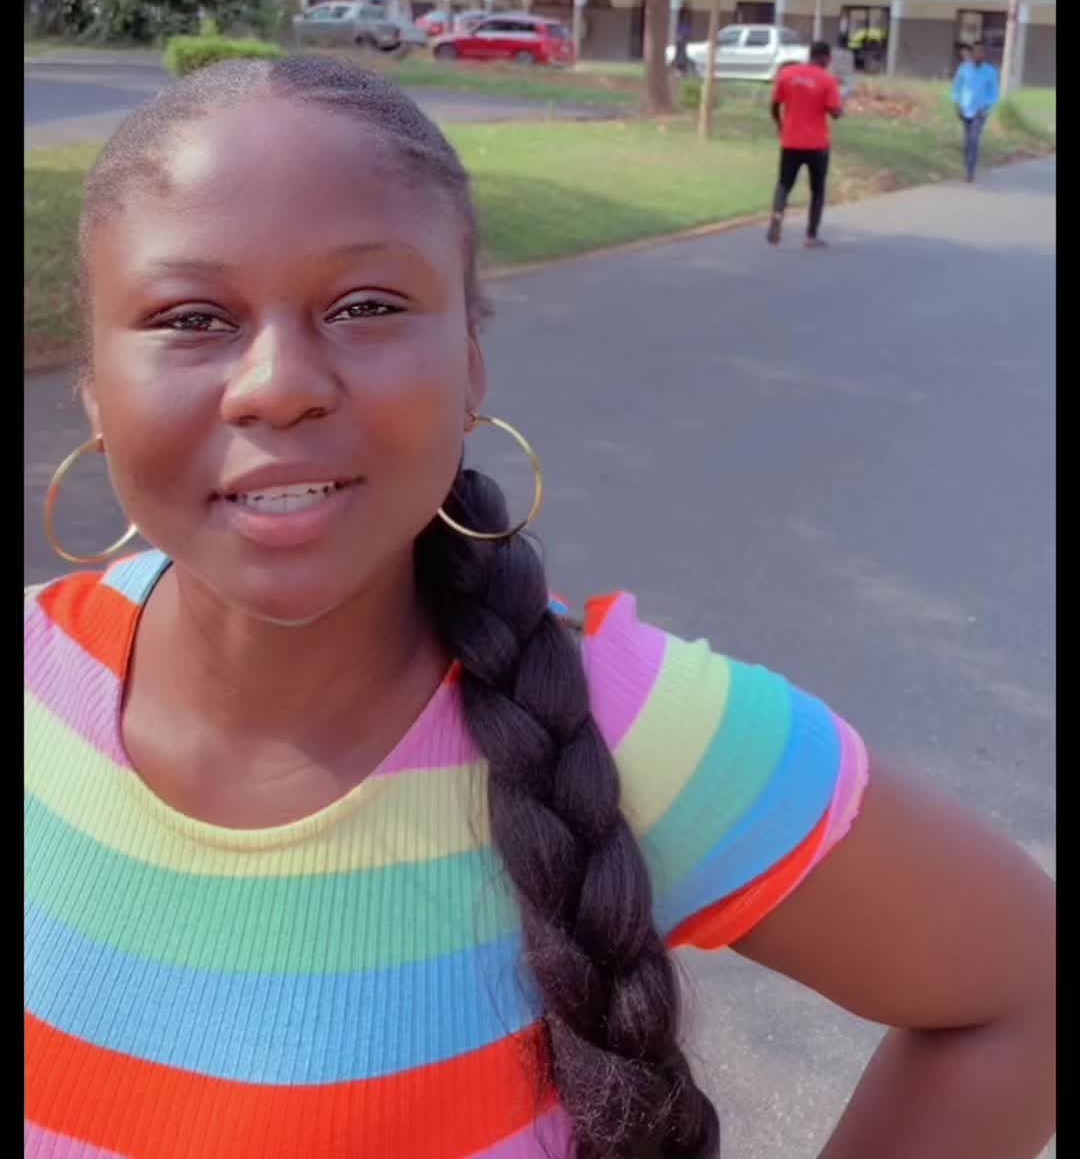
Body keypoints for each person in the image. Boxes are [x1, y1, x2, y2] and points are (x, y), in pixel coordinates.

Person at [26, 57, 1054, 1159]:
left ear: (471, 362)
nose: (278, 384)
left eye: (367, 306)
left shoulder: (631, 727)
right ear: (93, 386)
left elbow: (1023, 989)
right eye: (190, 317)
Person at [767, 38, 845, 249]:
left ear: (810, 55)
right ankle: (811, 236)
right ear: (825, 58)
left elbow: (774, 105)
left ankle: (777, 213)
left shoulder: (787, 74)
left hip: (790, 141)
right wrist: (841, 107)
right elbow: (835, 113)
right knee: (817, 189)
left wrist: (780, 125)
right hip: (816, 145)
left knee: (784, 184)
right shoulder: (827, 80)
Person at [952, 40, 1000, 182]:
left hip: (980, 111)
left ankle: (970, 171)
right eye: (976, 51)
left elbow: (993, 93)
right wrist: (957, 105)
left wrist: (985, 107)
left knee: (974, 139)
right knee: (967, 141)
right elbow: (957, 88)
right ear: (972, 53)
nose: (979, 54)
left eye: (981, 52)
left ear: (985, 54)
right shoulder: (964, 69)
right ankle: (966, 165)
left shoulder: (990, 71)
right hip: (965, 109)